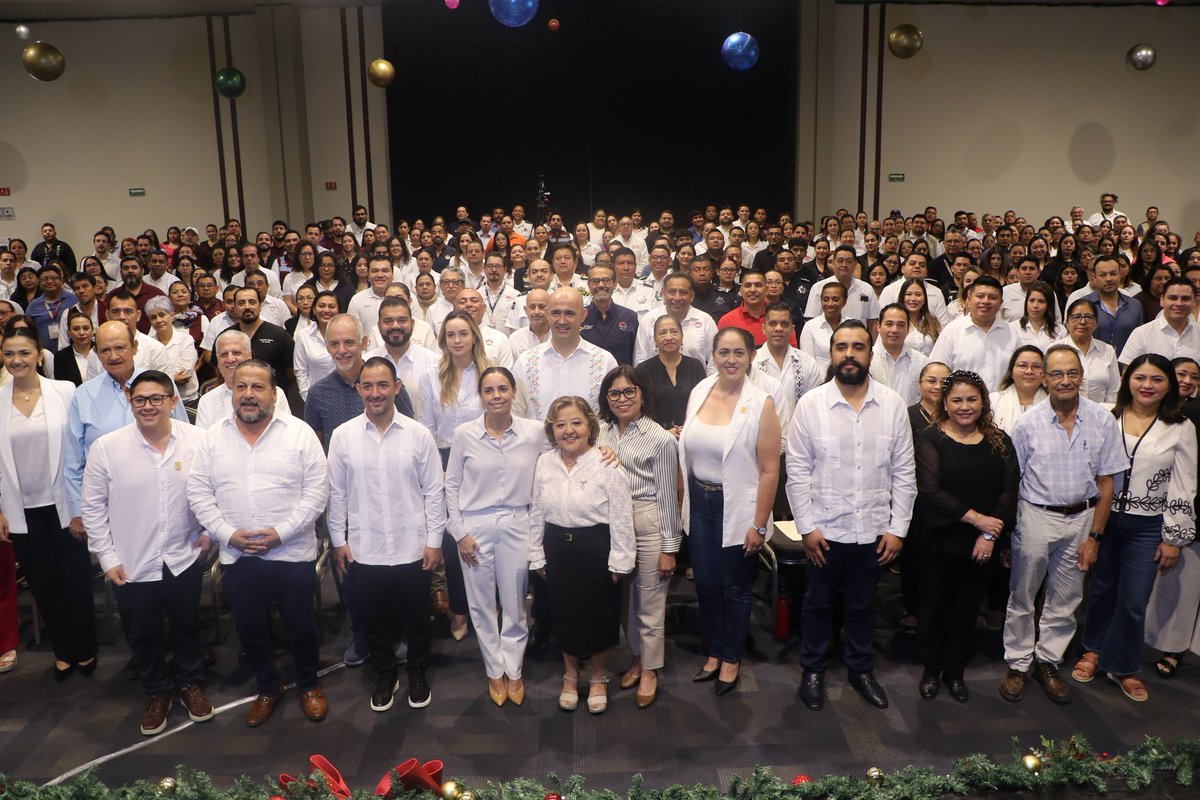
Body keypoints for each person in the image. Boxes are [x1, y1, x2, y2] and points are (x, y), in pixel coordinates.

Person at [187, 359, 330, 727]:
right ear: (231, 392)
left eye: (257, 387)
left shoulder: (300, 434)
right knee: (250, 628)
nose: (249, 395)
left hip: (292, 551)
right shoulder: (212, 438)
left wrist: (281, 532)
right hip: (239, 554)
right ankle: (269, 686)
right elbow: (199, 493)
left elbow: (317, 493)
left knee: (300, 626)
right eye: (241, 387)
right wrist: (227, 533)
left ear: (274, 393)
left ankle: (309, 685)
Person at [787, 320, 915, 711]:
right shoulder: (811, 405)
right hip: (824, 530)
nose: (849, 354)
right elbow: (796, 472)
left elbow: (904, 472)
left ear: (869, 354)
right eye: (841, 347)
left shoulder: (892, 404)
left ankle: (861, 670)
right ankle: (813, 670)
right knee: (817, 604)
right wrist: (806, 528)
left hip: (873, 530)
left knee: (862, 606)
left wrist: (898, 530)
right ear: (831, 354)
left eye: (857, 347)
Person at [81, 370, 213, 734]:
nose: (148, 406)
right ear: (130, 402)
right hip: (132, 561)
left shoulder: (199, 440)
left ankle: (190, 684)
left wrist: (208, 533)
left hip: (182, 556)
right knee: (142, 632)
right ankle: (157, 692)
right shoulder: (107, 448)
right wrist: (107, 558)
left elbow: (215, 491)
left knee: (188, 625)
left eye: (157, 398)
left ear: (173, 401)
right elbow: (92, 508)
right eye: (140, 399)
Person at [999, 344, 1128, 705]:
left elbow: (1107, 484)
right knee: (1023, 595)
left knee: (1067, 598)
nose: (1065, 380)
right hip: (1035, 516)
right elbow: (1013, 482)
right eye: (1056, 373)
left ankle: (1048, 661)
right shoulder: (1026, 424)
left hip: (1083, 520)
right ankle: (1018, 663)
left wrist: (1095, 537)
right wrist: (1010, 534)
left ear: (1081, 377)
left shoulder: (1103, 420)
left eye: (1072, 373)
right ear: (1043, 378)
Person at [1073, 354, 1196, 702]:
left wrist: (1174, 537)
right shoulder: (1107, 414)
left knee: (1133, 599)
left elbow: (1184, 484)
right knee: (1100, 590)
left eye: (1156, 379)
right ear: (1128, 380)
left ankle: (1124, 665)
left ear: (1169, 385)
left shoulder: (1181, 427)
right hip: (1104, 518)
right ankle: (1094, 649)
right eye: (1140, 377)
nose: (1147, 385)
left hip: (1148, 525)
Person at [328, 357, 445, 712]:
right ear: (359, 389)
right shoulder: (343, 436)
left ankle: (418, 671)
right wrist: (338, 540)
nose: (375, 393)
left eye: (383, 385)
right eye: (368, 386)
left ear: (396, 388)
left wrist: (434, 541)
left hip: (413, 546)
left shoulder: (419, 434)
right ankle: (385, 674)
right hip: (365, 547)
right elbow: (336, 493)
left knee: (416, 618)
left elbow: (434, 492)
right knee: (374, 619)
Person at [680, 327, 781, 696]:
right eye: (724, 352)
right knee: (706, 583)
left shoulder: (761, 402)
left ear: (751, 356)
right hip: (700, 501)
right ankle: (715, 650)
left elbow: (770, 469)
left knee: (736, 587)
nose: (731, 360)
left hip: (738, 505)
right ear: (713, 356)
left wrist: (758, 523)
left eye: (739, 353)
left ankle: (732, 656)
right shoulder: (699, 391)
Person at [445, 367, 549, 707]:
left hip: (518, 521)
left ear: (513, 391)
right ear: (481, 396)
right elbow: (451, 485)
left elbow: (564, 453)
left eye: (503, 388)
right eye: (489, 390)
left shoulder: (534, 432)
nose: (497, 396)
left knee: (516, 602)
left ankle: (514, 670)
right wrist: (459, 532)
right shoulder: (464, 434)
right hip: (475, 527)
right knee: (481, 604)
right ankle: (494, 670)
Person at [914, 370, 1019, 703]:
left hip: (981, 544)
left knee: (967, 608)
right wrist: (978, 521)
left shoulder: (1000, 440)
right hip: (940, 538)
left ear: (983, 402)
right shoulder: (931, 437)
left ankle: (955, 672)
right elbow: (930, 490)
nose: (964, 406)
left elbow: (1008, 490)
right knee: (933, 608)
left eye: (972, 399)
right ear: (945, 402)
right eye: (956, 400)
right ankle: (931, 669)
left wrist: (989, 535)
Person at [531, 396, 636, 714]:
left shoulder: (607, 463)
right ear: (552, 430)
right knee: (564, 613)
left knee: (599, 614)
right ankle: (571, 676)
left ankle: (599, 676)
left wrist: (620, 558)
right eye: (560, 424)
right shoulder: (544, 462)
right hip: (557, 548)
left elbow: (621, 515)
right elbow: (536, 509)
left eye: (576, 422)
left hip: (596, 547)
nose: (569, 430)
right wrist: (535, 552)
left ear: (590, 427)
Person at [0, 328, 94, 680]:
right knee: (43, 583)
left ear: (39, 354)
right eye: (9, 354)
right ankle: (63, 650)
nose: (16, 360)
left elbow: (81, 447)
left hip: (65, 505)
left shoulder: (65, 392)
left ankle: (85, 648)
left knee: (76, 580)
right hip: (21, 509)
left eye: (24, 352)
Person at [598, 366, 681, 709]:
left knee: (649, 603)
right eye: (614, 393)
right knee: (624, 603)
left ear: (642, 394)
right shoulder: (599, 432)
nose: (622, 399)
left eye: (629, 391)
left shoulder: (659, 439)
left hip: (647, 520)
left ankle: (650, 669)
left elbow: (668, 495)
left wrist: (669, 548)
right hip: (610, 524)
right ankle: (635, 657)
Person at [417, 310, 491, 639]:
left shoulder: (489, 372)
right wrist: (441, 469)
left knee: (487, 537)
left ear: (474, 335)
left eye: (463, 333)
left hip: (485, 458)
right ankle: (460, 610)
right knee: (453, 541)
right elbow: (426, 428)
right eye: (451, 335)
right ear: (443, 340)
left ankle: (492, 606)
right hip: (445, 460)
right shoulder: (431, 376)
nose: (457, 340)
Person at [512, 288, 617, 421]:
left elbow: (612, 417)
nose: (562, 321)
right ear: (547, 313)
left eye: (569, 313)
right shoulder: (525, 362)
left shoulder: (605, 362)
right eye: (556, 313)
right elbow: (516, 416)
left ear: (583, 315)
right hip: (538, 442)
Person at [929, 276, 1020, 392]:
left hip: (1003, 405)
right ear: (969, 299)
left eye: (992, 297)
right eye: (980, 296)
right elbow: (936, 373)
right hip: (964, 406)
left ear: (1001, 303)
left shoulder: (1011, 332)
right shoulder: (952, 332)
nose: (985, 301)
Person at [195, 329, 292, 430]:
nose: (230, 359)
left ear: (249, 356)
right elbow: (203, 442)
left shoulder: (275, 394)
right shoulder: (207, 401)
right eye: (224, 354)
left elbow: (284, 434)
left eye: (236, 353)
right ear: (217, 361)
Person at [635, 315, 709, 438]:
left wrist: (690, 428)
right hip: (655, 438)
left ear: (682, 336)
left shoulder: (695, 366)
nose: (669, 337)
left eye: (674, 332)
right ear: (654, 339)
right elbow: (638, 410)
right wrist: (662, 433)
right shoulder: (643, 370)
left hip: (691, 435)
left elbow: (704, 404)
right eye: (662, 333)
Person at [1120, 277, 1200, 365]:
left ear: (1194, 302)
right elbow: (1128, 372)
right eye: (1173, 298)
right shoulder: (1142, 333)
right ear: (1162, 300)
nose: (1179, 303)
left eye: (1185, 299)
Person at [1057, 299, 1119, 403]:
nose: (1082, 322)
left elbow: (1113, 391)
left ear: (1096, 323)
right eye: (1076, 317)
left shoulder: (1107, 350)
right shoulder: (1055, 350)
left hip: (1100, 414)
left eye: (1088, 317)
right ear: (1067, 322)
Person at [869, 304, 928, 405]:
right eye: (889, 324)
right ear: (879, 326)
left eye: (901, 325)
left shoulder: (922, 362)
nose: (894, 330)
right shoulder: (867, 359)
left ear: (908, 328)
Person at [581, 264, 639, 366]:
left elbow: (637, 356)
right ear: (589, 285)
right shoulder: (580, 317)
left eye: (606, 280)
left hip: (621, 379)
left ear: (615, 284)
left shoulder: (630, 317)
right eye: (595, 281)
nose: (601, 285)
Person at [145, 296, 199, 405]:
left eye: (162, 315)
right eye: (153, 317)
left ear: (172, 316)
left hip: (188, 400)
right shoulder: (147, 343)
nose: (158, 320)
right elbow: (146, 373)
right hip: (158, 401)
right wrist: (173, 378)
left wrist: (158, 380)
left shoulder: (186, 339)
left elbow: (185, 372)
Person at [991, 346, 1048, 434]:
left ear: (1044, 373)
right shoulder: (993, 401)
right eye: (1022, 365)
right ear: (1011, 372)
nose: (1029, 371)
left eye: (1036, 366)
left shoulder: (1053, 402)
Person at [799, 281, 846, 374]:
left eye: (835, 299)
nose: (830, 303)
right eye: (825, 299)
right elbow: (807, 363)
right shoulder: (810, 327)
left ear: (844, 301)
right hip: (819, 383)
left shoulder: (852, 326)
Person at [1010, 281, 1063, 351]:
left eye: (1041, 301)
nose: (1035, 306)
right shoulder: (1013, 328)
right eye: (1031, 300)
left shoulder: (1060, 330)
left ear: (1049, 304)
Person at [55, 309, 93, 386]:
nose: (81, 333)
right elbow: (63, 386)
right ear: (69, 332)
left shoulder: (102, 351)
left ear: (92, 330)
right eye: (76, 329)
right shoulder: (61, 357)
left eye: (86, 328)